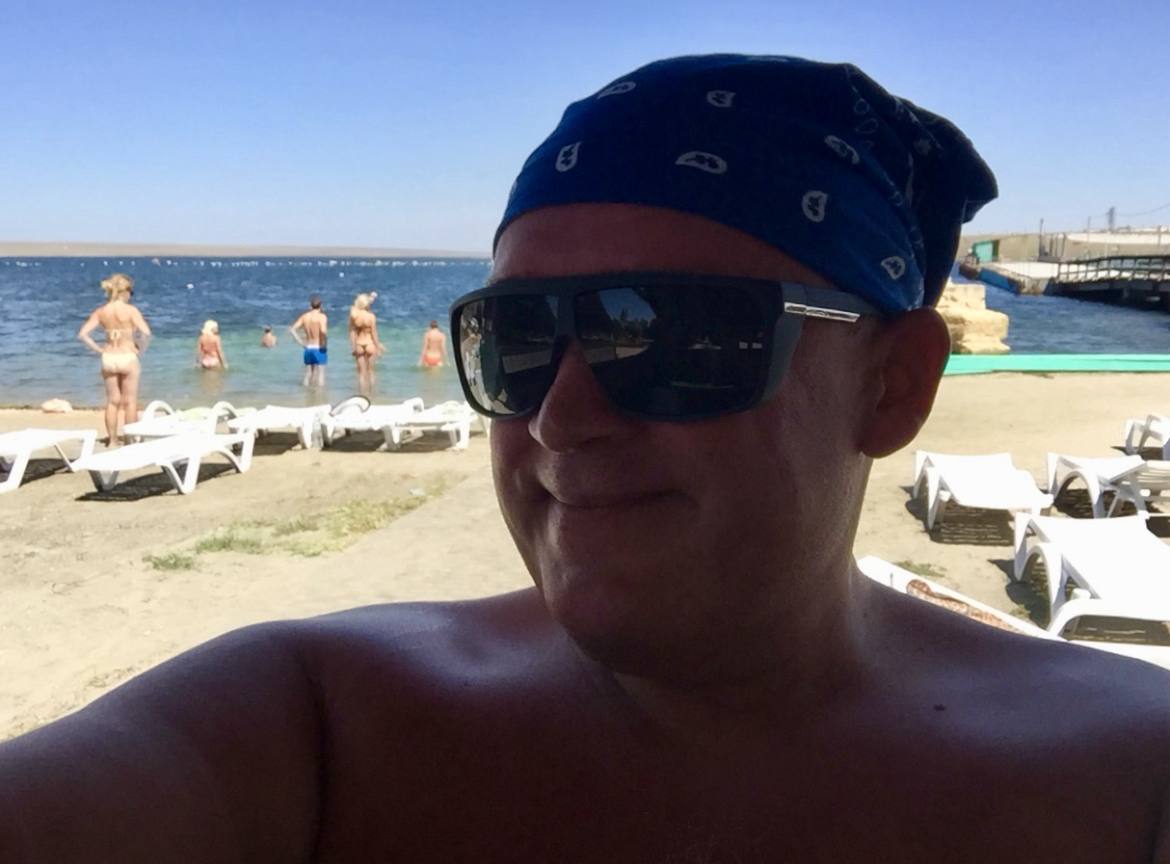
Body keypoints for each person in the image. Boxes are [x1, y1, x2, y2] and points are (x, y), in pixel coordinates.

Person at [5, 56, 1169, 862]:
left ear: (891, 384)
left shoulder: (1130, 780)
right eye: (515, 341)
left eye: (667, 334)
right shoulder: (312, 724)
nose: (562, 419)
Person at [77, 273, 151, 446]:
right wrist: (140, 349)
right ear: (125, 291)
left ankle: (112, 440)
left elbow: (83, 334)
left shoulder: (102, 311)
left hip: (109, 357)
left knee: (112, 401)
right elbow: (146, 333)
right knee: (130, 401)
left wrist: (99, 349)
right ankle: (130, 440)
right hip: (127, 355)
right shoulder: (131, 311)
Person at [348, 293, 385, 397]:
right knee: (371, 372)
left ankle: (362, 395)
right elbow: (374, 334)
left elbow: (352, 332)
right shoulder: (371, 316)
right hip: (370, 344)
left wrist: (353, 347)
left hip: (359, 344)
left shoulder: (355, 316)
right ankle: (372, 395)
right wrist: (378, 347)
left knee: (361, 373)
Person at [289, 294, 328, 388]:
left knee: (308, 373)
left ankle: (306, 393)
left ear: (310, 306)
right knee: (320, 374)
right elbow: (323, 331)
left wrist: (301, 342)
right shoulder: (322, 317)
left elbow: (292, 330)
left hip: (308, 347)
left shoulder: (305, 317)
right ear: (321, 306)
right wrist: (324, 344)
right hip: (319, 347)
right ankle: (320, 394)